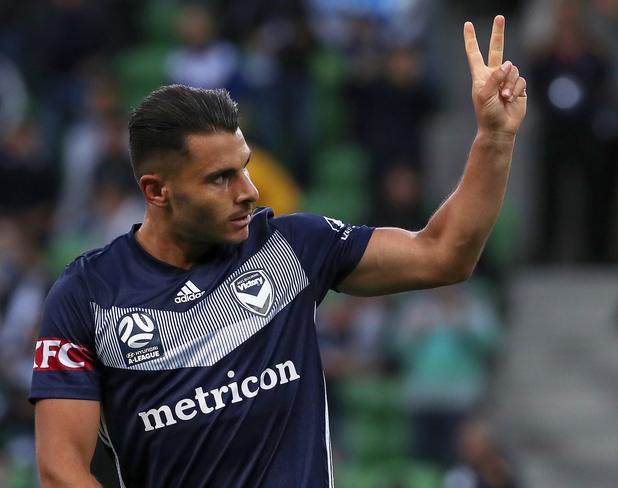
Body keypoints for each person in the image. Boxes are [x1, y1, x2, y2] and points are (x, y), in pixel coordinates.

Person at [30, 16, 526, 487]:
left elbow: (444, 255)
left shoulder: (290, 247)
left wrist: (494, 138)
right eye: (221, 178)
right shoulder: (87, 296)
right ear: (157, 191)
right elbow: (61, 471)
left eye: (244, 167)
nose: (248, 190)